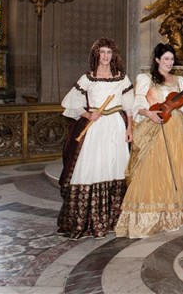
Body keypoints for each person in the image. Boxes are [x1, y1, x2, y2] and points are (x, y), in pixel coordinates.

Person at [115, 44, 183, 238]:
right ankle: (152, 216)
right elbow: (138, 102)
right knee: (155, 168)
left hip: (177, 128)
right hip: (156, 125)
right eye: (166, 59)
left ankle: (176, 212)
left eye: (171, 59)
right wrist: (149, 113)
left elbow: (182, 108)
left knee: (177, 168)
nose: (169, 63)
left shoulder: (179, 80)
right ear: (157, 60)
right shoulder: (146, 78)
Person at [57, 37, 133, 239]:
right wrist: (88, 114)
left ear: (113, 55)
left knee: (116, 168)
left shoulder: (122, 78)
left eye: (109, 52)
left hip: (116, 127)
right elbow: (71, 102)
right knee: (91, 169)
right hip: (95, 128)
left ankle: (115, 220)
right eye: (102, 52)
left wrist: (129, 128)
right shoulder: (88, 78)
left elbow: (129, 106)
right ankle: (87, 221)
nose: (105, 56)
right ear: (96, 55)